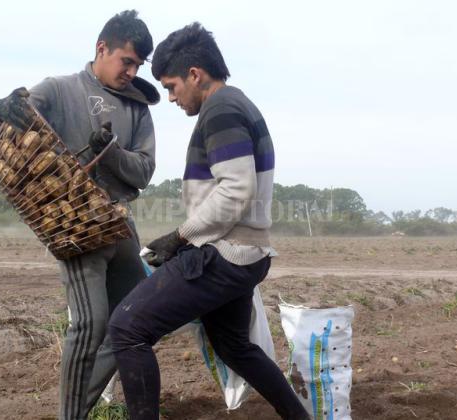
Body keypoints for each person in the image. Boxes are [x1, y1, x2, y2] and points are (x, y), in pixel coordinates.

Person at [108, 23, 311, 420]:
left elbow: (236, 189)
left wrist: (180, 237)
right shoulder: (238, 104)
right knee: (233, 344)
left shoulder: (221, 111)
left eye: (171, 86)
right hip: (249, 253)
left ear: (195, 75)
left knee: (128, 329)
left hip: (225, 253)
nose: (170, 97)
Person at [0, 10, 159, 420]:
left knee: (134, 322)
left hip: (120, 224)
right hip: (75, 224)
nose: (130, 72)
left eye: (137, 66)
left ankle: (75, 410)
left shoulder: (137, 109)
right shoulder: (59, 90)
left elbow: (145, 171)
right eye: (125, 61)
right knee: (90, 324)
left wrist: (108, 152)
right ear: (101, 49)